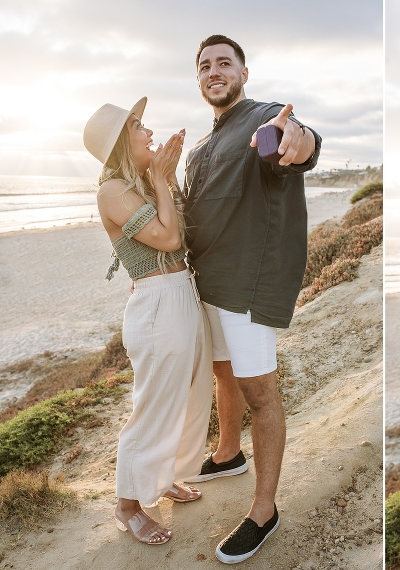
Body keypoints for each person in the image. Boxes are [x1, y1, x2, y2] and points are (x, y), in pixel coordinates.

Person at [180, 35, 321, 564]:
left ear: (243, 71)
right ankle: (228, 452)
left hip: (247, 284)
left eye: (224, 63)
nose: (214, 71)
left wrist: (297, 138)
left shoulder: (264, 118)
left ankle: (264, 509)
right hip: (206, 282)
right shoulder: (201, 146)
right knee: (223, 373)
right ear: (199, 80)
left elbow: (296, 143)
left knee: (260, 391)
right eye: (205, 66)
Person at [83, 98, 213, 545]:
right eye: (138, 126)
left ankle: (165, 477)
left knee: (189, 396)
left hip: (183, 294)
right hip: (158, 304)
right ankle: (127, 505)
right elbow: (169, 237)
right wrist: (159, 178)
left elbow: (182, 225)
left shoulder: (138, 182)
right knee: (155, 406)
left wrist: (165, 178)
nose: (149, 131)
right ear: (121, 142)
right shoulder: (112, 191)